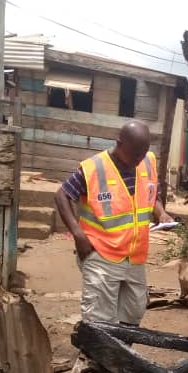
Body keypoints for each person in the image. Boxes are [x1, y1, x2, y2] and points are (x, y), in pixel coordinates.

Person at [55, 120, 174, 325]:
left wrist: (161, 212)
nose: (138, 159)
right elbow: (61, 195)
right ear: (119, 143)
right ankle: (98, 356)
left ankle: (121, 353)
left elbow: (153, 194)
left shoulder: (147, 161)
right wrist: (78, 234)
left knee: (134, 310)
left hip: (135, 254)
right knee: (100, 317)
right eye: (135, 154)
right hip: (101, 252)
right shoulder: (94, 168)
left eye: (142, 153)